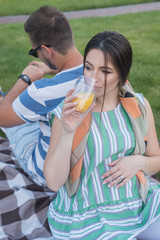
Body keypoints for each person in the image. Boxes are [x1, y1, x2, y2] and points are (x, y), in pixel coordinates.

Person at [44, 31, 160, 239]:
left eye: (105, 71)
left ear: (123, 76)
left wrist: (139, 162)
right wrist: (68, 131)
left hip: (138, 203)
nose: (93, 78)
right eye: (88, 68)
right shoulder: (68, 112)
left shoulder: (140, 105)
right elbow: (53, 182)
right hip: (88, 213)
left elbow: (156, 159)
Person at [0, 6, 83, 185]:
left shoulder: (42, 92)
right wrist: (54, 70)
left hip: (47, 172)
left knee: (12, 119)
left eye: (35, 51)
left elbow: (1, 118)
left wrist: (25, 79)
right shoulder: (100, 72)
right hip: (81, 163)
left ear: (46, 50)